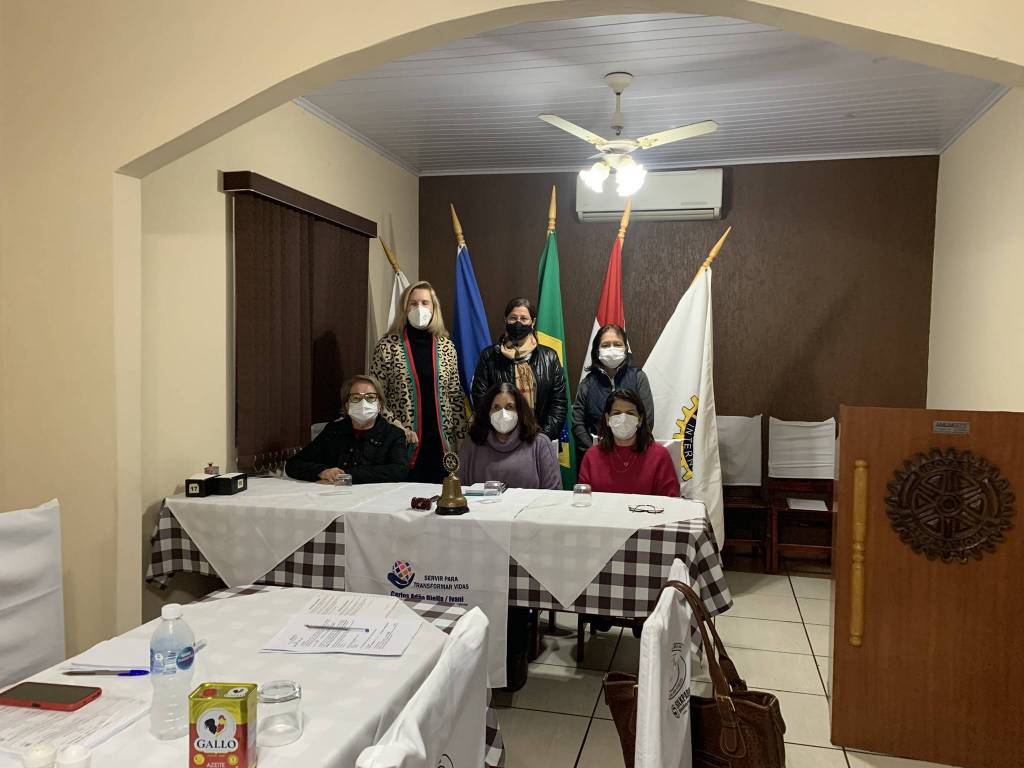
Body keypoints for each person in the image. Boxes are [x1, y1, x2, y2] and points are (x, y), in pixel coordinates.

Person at [370, 280, 467, 483]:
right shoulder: (387, 346)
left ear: (434, 308)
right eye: (413, 303)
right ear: (404, 308)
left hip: (442, 445)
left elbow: (455, 397)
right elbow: (375, 398)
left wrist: (461, 439)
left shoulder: (446, 347)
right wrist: (397, 427)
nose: (419, 308)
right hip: (403, 443)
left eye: (425, 303)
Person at [471, 297, 567, 441]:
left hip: (540, 438)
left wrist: (542, 438)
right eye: (513, 318)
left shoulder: (549, 357)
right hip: (500, 439)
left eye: (524, 319)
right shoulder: (489, 356)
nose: (518, 323)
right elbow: (481, 399)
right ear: (505, 320)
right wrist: (501, 434)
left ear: (533, 322)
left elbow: (559, 403)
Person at [285, 374, 408, 484]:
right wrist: (322, 472)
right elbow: (294, 464)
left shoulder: (393, 434)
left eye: (370, 397)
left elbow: (399, 471)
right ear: (347, 405)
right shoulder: (334, 431)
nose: (363, 403)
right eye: (356, 398)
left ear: (380, 405)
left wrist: (346, 476)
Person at [572, 324, 654, 468]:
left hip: (634, 457)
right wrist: (594, 452)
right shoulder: (587, 383)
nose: (611, 349)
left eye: (617, 344)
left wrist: (629, 450)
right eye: (605, 345)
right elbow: (578, 424)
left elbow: (647, 419)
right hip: (597, 460)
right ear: (597, 350)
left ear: (625, 349)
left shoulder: (638, 378)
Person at [459, 382, 562, 490]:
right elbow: (459, 490)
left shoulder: (540, 444)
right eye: (496, 407)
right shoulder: (472, 443)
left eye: (509, 407)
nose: (503, 414)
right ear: (488, 412)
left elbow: (554, 492)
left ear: (520, 411)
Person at [578, 388, 680, 497]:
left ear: (640, 419)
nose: (623, 419)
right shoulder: (592, 456)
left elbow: (671, 501)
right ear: (608, 419)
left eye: (630, 413)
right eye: (617, 413)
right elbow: (583, 499)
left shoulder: (659, 456)